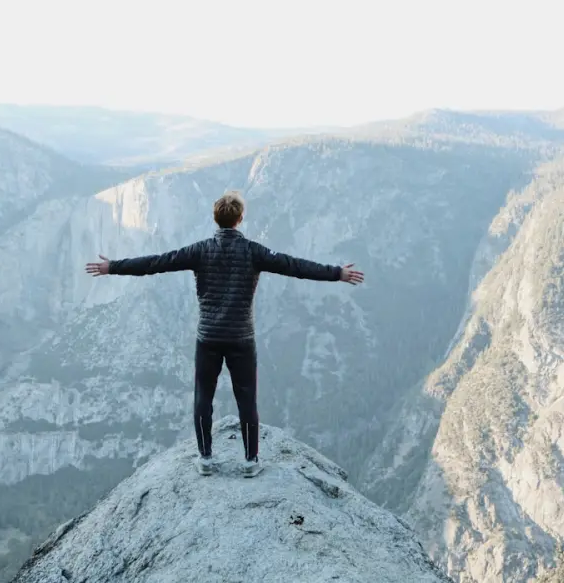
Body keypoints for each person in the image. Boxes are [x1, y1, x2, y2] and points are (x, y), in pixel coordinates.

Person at [85, 191, 363, 478]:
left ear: (215, 219)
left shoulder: (200, 250)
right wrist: (336, 273)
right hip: (241, 338)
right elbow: (294, 266)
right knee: (247, 399)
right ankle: (251, 461)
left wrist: (113, 267)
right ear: (240, 218)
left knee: (203, 397)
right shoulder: (254, 252)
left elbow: (156, 262)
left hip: (208, 338)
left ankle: (205, 458)